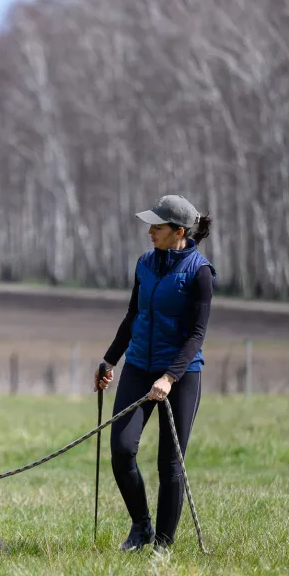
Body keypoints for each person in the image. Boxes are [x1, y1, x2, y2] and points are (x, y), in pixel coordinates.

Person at [95, 195, 215, 552]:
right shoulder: (144, 263)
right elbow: (133, 315)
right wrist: (110, 361)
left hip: (180, 375)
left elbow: (197, 335)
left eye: (157, 227)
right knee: (121, 449)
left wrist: (169, 377)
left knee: (169, 463)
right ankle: (142, 526)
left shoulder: (200, 272)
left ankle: (163, 545)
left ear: (178, 231)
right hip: (138, 366)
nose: (150, 232)